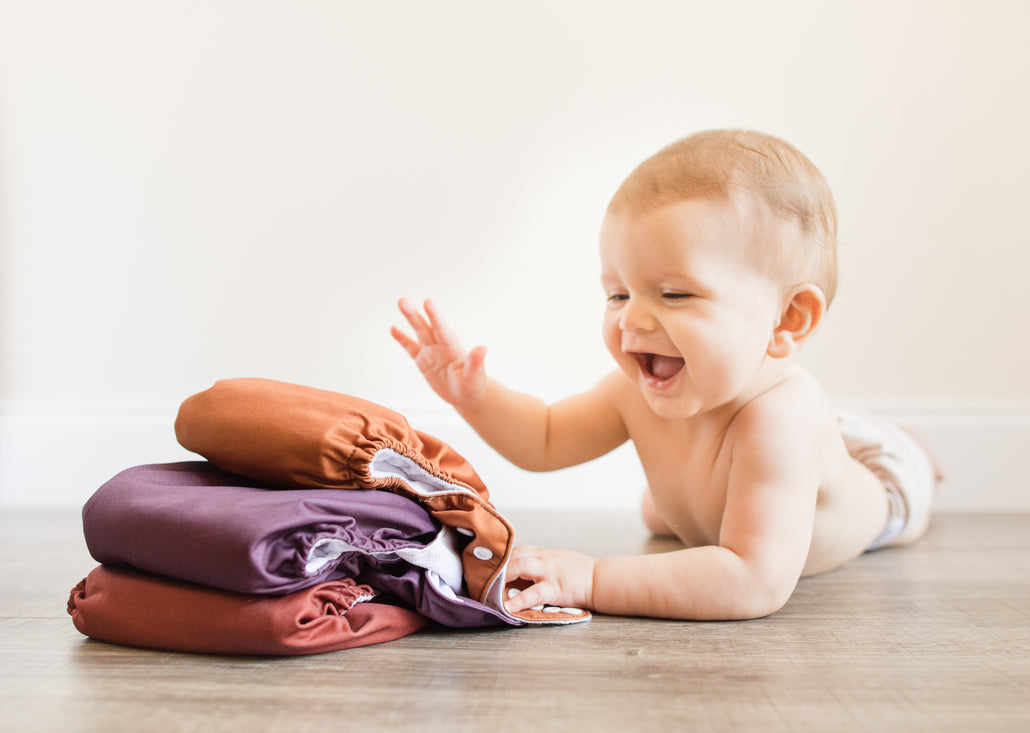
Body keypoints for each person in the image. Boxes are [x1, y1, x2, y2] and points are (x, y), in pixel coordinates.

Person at [391, 129, 939, 620]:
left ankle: (909, 451)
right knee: (664, 513)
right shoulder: (636, 389)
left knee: (885, 480)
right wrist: (476, 395)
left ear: (787, 319)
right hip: (758, 476)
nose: (631, 317)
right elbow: (546, 438)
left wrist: (593, 577)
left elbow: (753, 581)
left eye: (674, 294)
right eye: (617, 293)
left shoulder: (781, 418)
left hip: (883, 489)